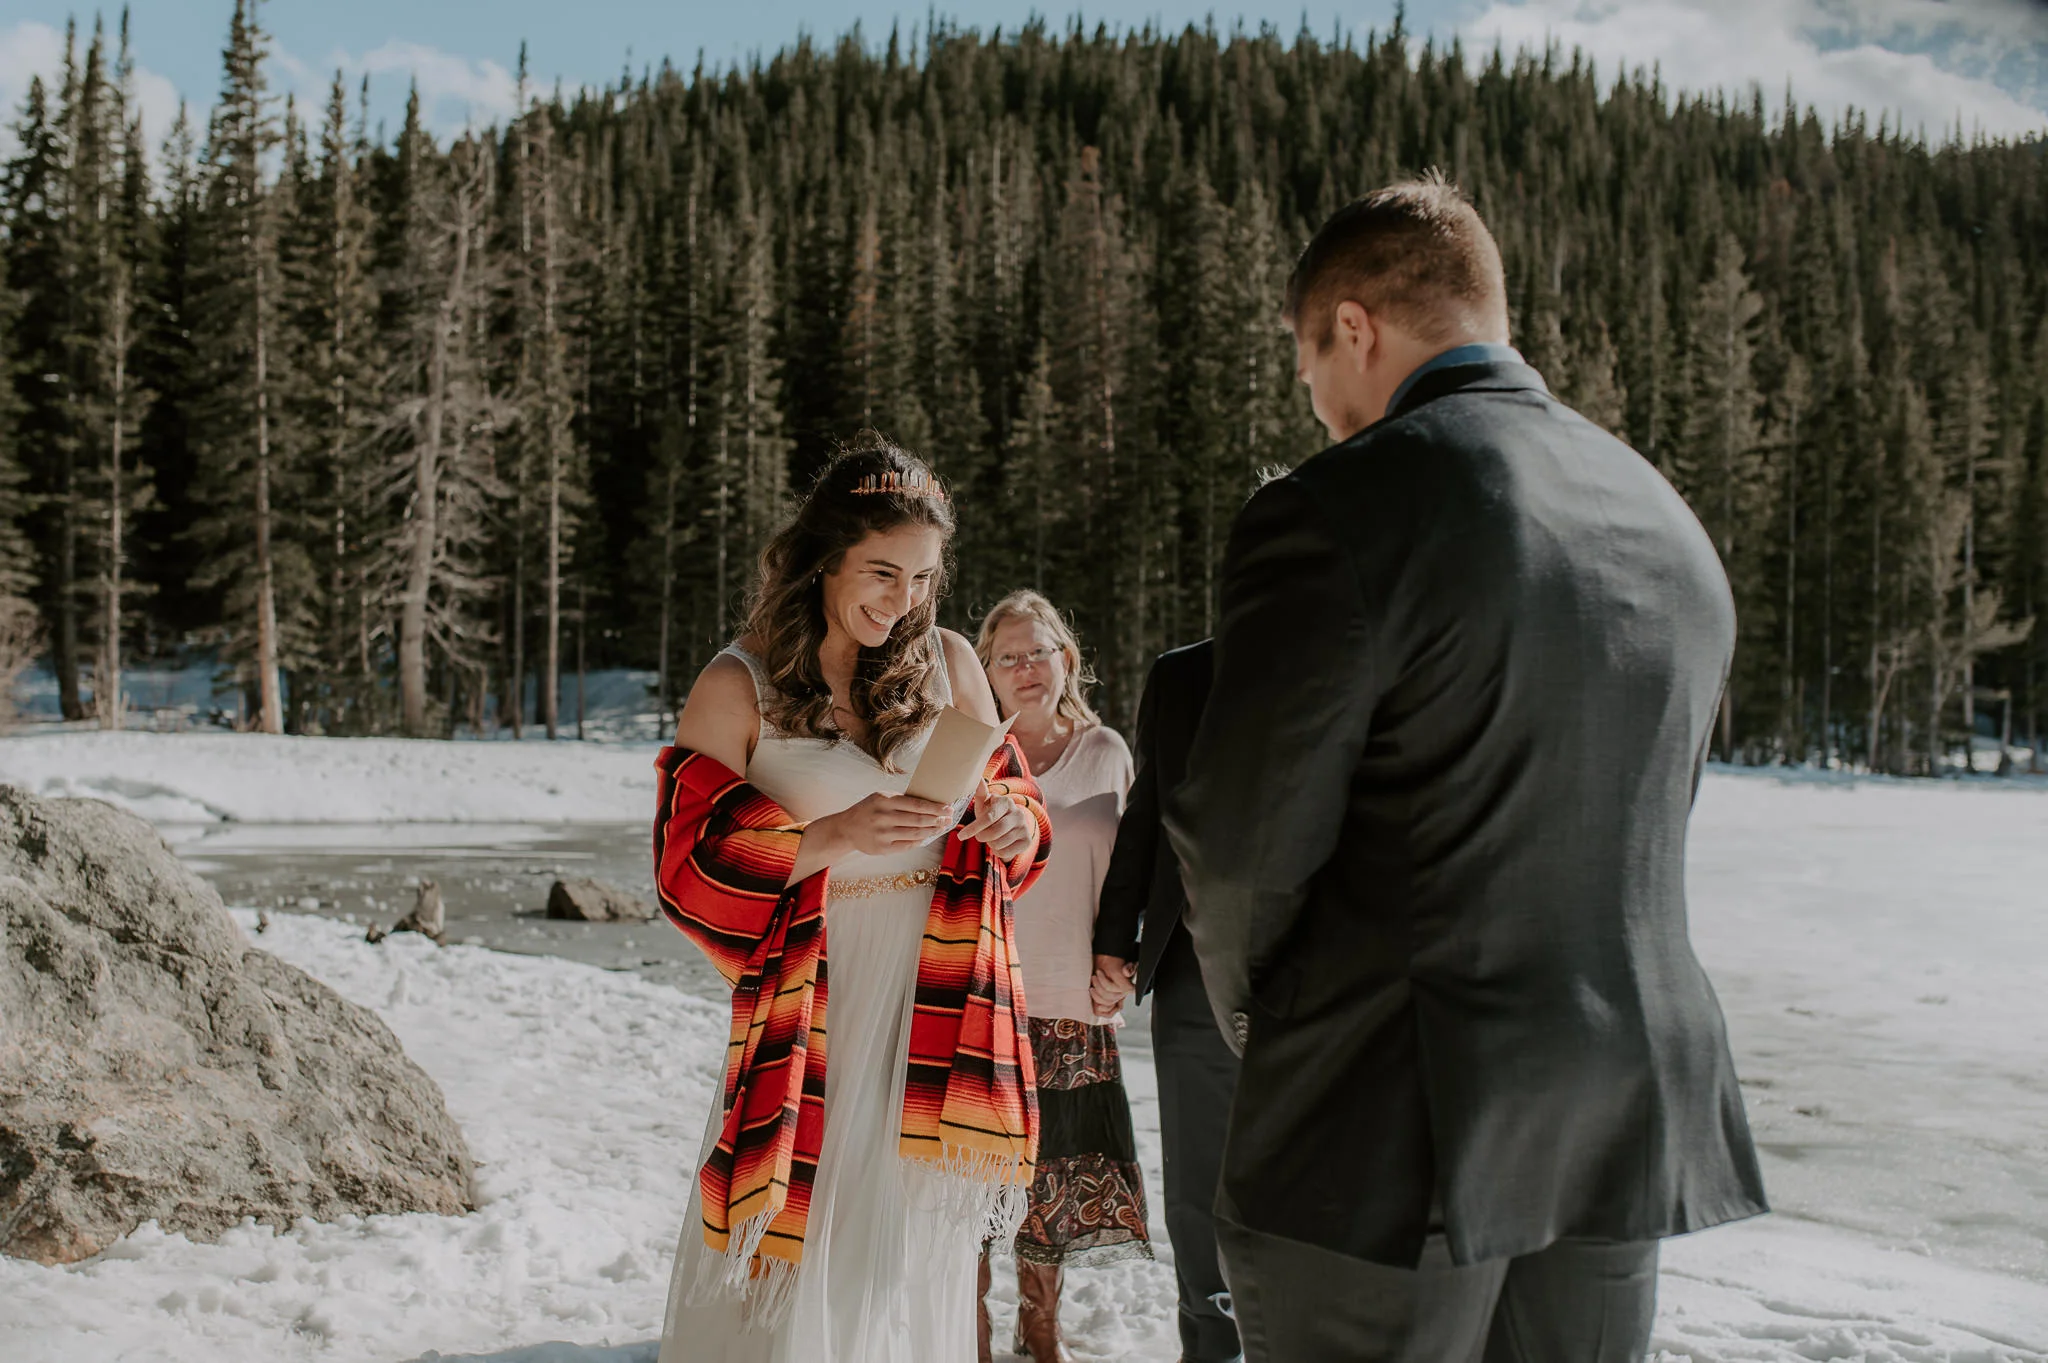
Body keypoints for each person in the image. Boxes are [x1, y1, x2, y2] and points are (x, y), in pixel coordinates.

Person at [1163, 172, 1768, 1362]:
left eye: (1307, 364)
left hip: (1388, 1117)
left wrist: (1257, 1014)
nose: (1320, 402)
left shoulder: (1339, 506)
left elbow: (1241, 835)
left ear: (1352, 327)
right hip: (1616, 1107)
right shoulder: (1664, 518)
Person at [653, 438, 1053, 1363]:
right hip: (820, 1001)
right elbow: (687, 866)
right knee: (806, 1247)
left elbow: (1012, 796)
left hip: (940, 998)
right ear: (824, 554)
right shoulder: (736, 683)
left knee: (907, 1257)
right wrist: (828, 838)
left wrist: (1014, 830)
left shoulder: (950, 658)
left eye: (920, 577)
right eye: (880, 571)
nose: (902, 600)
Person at [972, 589, 1151, 1363]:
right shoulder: (972, 751)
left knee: (1053, 1183)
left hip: (1072, 1000)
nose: (1025, 667)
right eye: (1006, 656)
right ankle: (970, 1325)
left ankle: (1036, 1323)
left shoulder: (1106, 749)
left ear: (1065, 658)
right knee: (974, 1177)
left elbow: (1133, 876)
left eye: (1037, 651)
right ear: (986, 671)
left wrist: (1127, 957)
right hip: (982, 997)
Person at [1090, 638, 1241, 1363]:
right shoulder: (1181, 674)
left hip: (1333, 972)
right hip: (1192, 961)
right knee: (1196, 1170)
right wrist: (1115, 935)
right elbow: (1146, 812)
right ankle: (1211, 1343)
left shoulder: (1367, 647)